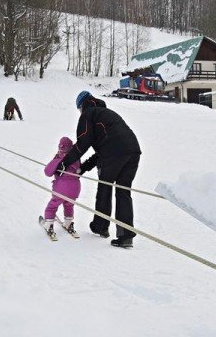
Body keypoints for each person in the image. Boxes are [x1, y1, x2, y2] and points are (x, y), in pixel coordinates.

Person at [58, 91, 141, 248]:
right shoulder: (106, 114)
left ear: (82, 105)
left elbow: (83, 142)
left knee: (105, 188)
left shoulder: (88, 114)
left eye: (79, 109)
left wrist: (65, 162)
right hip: (133, 151)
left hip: (114, 153)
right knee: (123, 191)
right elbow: (102, 151)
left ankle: (101, 227)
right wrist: (82, 169)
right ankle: (126, 236)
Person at [42, 137, 81, 237]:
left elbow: (47, 172)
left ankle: (49, 224)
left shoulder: (59, 159)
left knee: (53, 205)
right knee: (69, 205)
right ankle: (68, 223)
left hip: (61, 189)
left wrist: (56, 159)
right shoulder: (76, 159)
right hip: (75, 189)